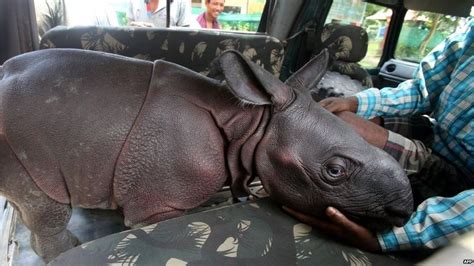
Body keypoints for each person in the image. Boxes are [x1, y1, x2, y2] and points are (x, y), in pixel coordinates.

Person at [285, 20, 473, 252]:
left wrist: (392, 238)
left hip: (462, 179)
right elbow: (421, 90)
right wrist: (356, 102)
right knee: (342, 121)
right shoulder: (469, 34)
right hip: (434, 135)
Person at [127, 0, 193, 28]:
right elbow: (127, 28)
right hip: (138, 54)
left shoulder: (181, 2)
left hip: (169, 54)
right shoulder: (134, 1)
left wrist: (158, 34)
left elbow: (186, 35)